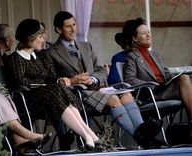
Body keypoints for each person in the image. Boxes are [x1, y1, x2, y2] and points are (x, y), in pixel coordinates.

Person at [46, 11, 163, 149]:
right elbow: (51, 79)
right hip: (76, 94)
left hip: (96, 88)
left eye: (74, 24)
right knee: (113, 99)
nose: (73, 29)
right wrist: (72, 81)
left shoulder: (86, 46)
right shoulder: (51, 52)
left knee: (126, 95)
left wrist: (93, 79)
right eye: (68, 26)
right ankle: (143, 139)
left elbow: (100, 70)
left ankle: (143, 134)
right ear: (58, 29)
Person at [7, 18, 100, 150]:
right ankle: (87, 135)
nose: (43, 40)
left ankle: (88, 134)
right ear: (30, 38)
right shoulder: (15, 59)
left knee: (59, 88)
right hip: (29, 99)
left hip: (48, 95)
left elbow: (51, 77)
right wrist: (46, 85)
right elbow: (22, 83)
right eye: (40, 36)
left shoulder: (39, 56)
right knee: (56, 90)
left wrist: (59, 80)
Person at [121, 17, 192, 134]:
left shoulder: (154, 54)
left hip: (164, 89)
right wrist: (150, 85)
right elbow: (130, 79)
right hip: (151, 93)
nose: (148, 35)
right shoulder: (132, 57)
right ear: (135, 38)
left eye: (148, 32)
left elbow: (166, 74)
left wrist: (174, 77)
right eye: (144, 33)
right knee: (185, 79)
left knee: (184, 77)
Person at [0, 24, 51, 153]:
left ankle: (22, 143)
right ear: (6, 39)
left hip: (7, 95)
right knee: (6, 100)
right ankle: (29, 137)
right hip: (0, 95)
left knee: (8, 100)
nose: (12, 40)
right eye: (11, 37)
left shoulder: (4, 56)